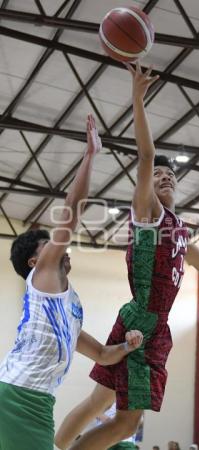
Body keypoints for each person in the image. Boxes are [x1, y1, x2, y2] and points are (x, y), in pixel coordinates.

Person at [55, 63, 199, 450]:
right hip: (142, 321)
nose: (165, 177)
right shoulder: (148, 212)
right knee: (126, 421)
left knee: (98, 401)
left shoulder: (180, 230)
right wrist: (137, 97)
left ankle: (56, 445)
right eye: (160, 175)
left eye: (172, 176)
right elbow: (146, 156)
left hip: (155, 324)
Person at [0, 115, 143, 450]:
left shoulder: (69, 307)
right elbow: (71, 213)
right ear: (35, 262)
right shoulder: (42, 277)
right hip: (18, 396)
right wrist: (90, 156)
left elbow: (105, 355)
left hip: (38, 402)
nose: (58, 248)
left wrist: (129, 345)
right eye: (47, 246)